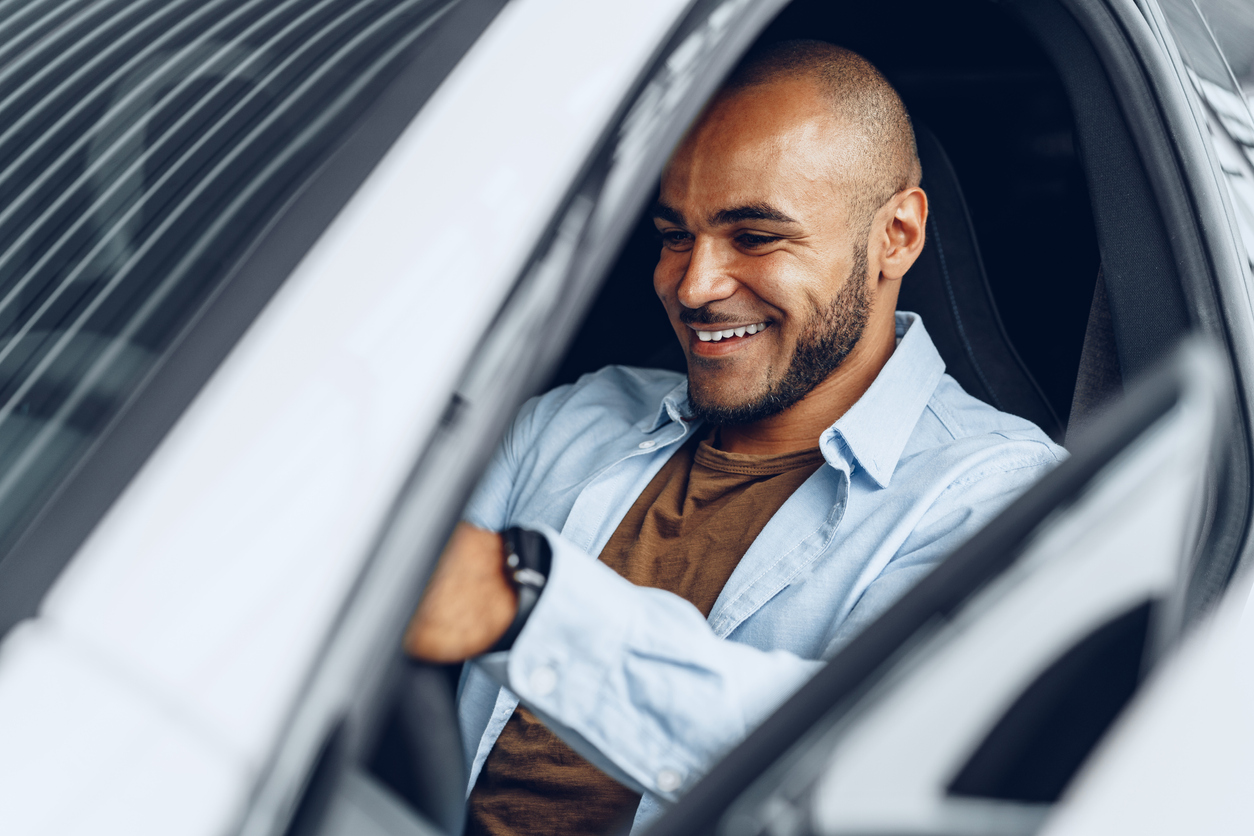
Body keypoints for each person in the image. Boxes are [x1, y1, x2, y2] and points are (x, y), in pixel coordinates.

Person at [405, 40, 1065, 835]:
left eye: (754, 237)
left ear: (896, 235)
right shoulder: (572, 420)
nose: (692, 285)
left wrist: (522, 602)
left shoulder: (997, 496)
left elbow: (859, 769)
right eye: (674, 234)